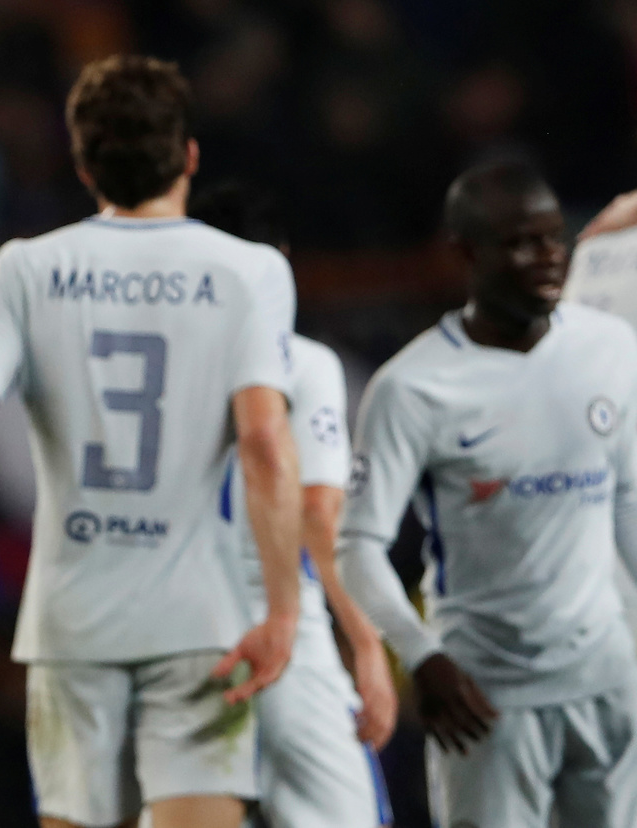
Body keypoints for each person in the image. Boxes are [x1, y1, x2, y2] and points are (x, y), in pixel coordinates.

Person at [0, 55, 303, 828]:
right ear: (188, 155)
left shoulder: (28, 267)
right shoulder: (250, 272)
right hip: (198, 621)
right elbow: (265, 445)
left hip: (72, 621)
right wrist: (284, 609)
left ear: (83, 165)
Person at [338, 161, 637, 827]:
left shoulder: (611, 348)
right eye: (521, 243)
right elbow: (357, 545)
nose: (547, 258)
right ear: (467, 254)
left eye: (554, 238)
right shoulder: (413, 387)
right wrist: (424, 657)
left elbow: (624, 500)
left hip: (607, 681)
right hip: (486, 694)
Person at [191, 182, 396, 827]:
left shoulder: (163, 364)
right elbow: (317, 514)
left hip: (170, 629)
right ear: (277, 263)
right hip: (280, 632)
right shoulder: (303, 363)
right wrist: (365, 643)